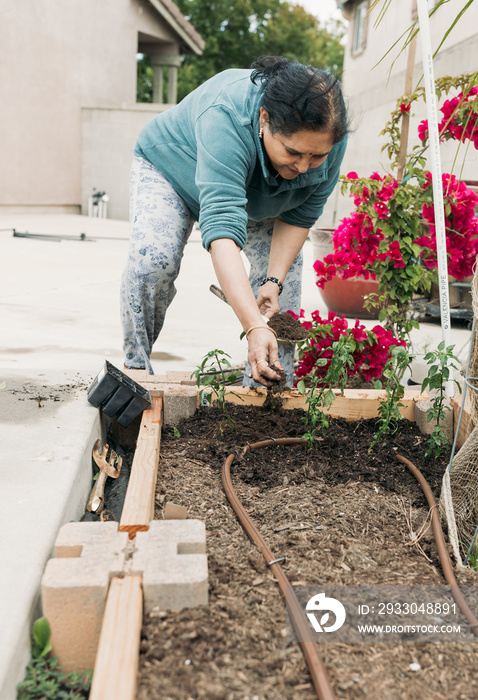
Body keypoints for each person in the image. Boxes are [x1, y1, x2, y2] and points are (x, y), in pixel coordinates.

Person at [121, 55, 349, 387]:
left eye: (316, 156)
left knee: (287, 288)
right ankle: (135, 371)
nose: (303, 166)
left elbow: (299, 216)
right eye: (292, 152)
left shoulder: (330, 133)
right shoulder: (225, 115)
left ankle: (268, 394)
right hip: (171, 171)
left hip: (253, 194)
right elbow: (223, 229)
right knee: (153, 263)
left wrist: (274, 281)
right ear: (264, 119)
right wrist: (252, 325)